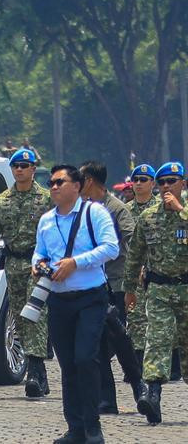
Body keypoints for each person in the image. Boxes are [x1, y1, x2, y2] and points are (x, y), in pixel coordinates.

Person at [33, 163, 119, 444]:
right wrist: (39, 265)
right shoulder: (46, 220)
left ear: (77, 186)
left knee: (85, 358)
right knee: (68, 365)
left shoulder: (95, 213)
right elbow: (39, 253)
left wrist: (76, 263)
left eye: (60, 182)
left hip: (90, 298)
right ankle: (76, 427)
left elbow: (111, 247)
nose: (54, 187)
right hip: (59, 301)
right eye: (52, 183)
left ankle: (93, 427)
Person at [0, 147, 53, 398]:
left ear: (33, 169)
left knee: (36, 315)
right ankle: (39, 370)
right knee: (21, 318)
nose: (19, 170)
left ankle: (33, 372)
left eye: (24, 165)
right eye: (15, 166)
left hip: (38, 266)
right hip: (13, 265)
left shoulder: (45, 199)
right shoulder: (3, 200)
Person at [123, 160, 188, 426]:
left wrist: (181, 212)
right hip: (159, 289)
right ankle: (153, 397)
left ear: (182, 183)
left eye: (170, 182)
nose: (165, 187)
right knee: (157, 341)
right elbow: (135, 255)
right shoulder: (148, 217)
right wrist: (129, 289)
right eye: (161, 183)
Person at [79, 161, 143, 414]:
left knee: (120, 339)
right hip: (92, 284)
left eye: (80, 178)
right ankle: (107, 397)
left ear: (90, 181)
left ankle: (139, 385)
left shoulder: (116, 209)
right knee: (96, 343)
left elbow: (133, 240)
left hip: (116, 283)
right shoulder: (81, 209)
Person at [123, 163, 157, 364]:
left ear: (152, 183)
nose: (138, 184)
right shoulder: (125, 211)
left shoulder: (163, 207)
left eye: (143, 180)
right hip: (133, 272)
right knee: (135, 318)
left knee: (158, 318)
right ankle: (137, 364)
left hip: (157, 271)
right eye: (135, 180)